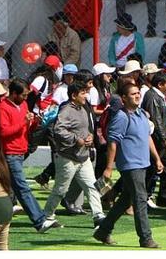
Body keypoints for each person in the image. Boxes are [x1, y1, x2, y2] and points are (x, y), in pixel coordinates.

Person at [94, 83, 162, 248]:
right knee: (140, 199)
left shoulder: (141, 114)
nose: (137, 96)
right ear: (124, 98)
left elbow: (147, 137)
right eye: (133, 94)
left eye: (138, 93)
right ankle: (145, 238)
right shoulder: (122, 117)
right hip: (130, 165)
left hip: (143, 163)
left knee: (126, 200)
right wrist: (109, 168)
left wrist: (157, 158)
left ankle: (103, 231)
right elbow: (112, 142)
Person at [0, 78, 60, 233]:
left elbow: (25, 127)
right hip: (10, 152)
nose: (25, 98)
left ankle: (2, 214)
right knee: (22, 188)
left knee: (11, 187)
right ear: (13, 93)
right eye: (23, 95)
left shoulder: (22, 105)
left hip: (19, 151)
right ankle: (40, 221)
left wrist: (35, 122)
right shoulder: (3, 107)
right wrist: (24, 122)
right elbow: (4, 131)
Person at [42, 81, 105, 224]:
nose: (86, 95)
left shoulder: (83, 108)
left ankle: (99, 216)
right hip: (67, 158)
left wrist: (90, 137)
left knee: (92, 186)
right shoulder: (66, 110)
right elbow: (58, 129)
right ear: (73, 95)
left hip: (83, 157)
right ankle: (47, 216)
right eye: (83, 93)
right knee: (60, 190)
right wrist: (76, 139)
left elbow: (87, 128)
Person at [140, 72, 166, 210]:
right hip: (157, 141)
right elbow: (156, 120)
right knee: (150, 170)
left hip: (162, 140)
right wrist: (164, 139)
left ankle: (164, 197)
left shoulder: (159, 97)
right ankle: (140, 197)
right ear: (160, 84)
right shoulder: (152, 97)